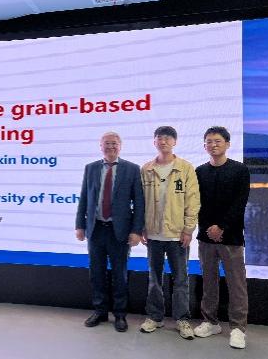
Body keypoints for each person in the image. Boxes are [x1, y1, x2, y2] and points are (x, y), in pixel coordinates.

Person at [75, 131, 144, 332]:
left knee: (119, 275)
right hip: (95, 229)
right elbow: (84, 198)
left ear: (120, 146)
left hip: (119, 231)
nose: (110, 146)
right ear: (101, 146)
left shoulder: (132, 169)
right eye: (107, 143)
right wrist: (80, 225)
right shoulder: (91, 168)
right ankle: (100, 311)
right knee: (96, 273)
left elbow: (139, 203)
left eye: (114, 143)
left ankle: (120, 314)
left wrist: (136, 230)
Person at [140, 126, 200, 340]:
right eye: (159, 138)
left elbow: (193, 200)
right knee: (154, 278)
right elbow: (140, 202)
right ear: (154, 142)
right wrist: (142, 227)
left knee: (181, 279)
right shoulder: (146, 169)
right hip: (153, 235)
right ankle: (155, 317)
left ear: (175, 142)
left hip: (177, 235)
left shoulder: (185, 168)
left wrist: (188, 229)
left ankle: (182, 319)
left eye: (167, 138)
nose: (163, 141)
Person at [193, 126, 250, 349]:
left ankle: (238, 328)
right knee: (209, 281)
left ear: (227, 144)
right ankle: (210, 322)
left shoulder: (240, 170)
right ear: (204, 145)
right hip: (206, 237)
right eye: (209, 141)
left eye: (217, 141)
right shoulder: (199, 171)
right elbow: (197, 204)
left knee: (237, 284)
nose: (213, 145)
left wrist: (222, 227)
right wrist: (209, 228)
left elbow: (240, 203)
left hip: (231, 237)